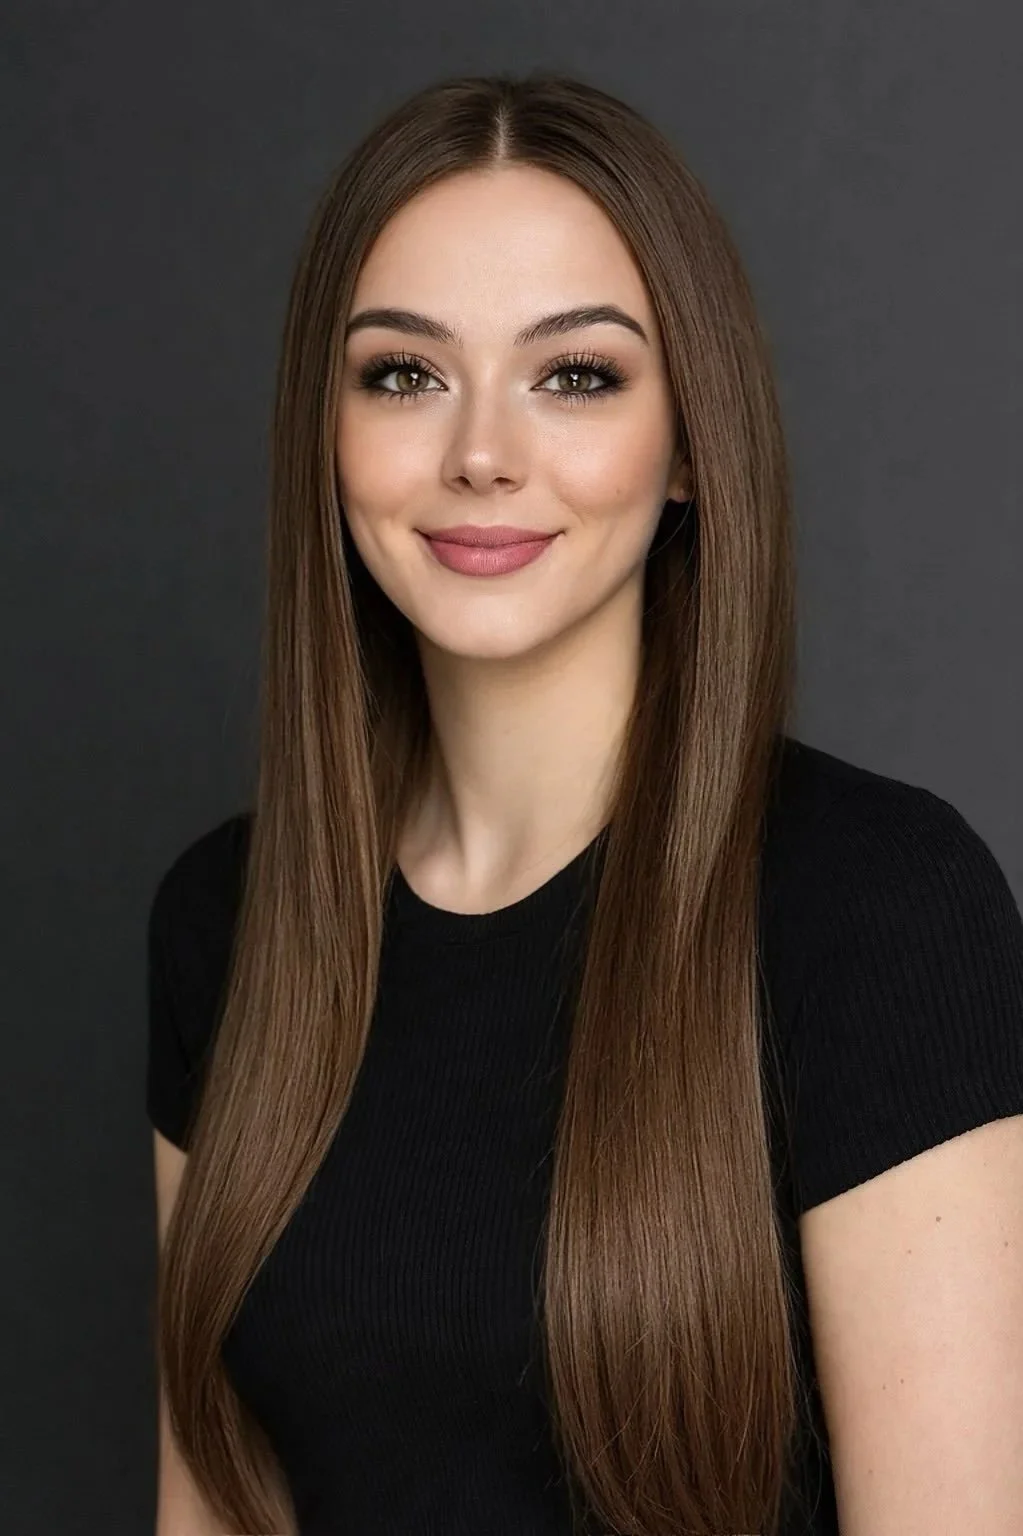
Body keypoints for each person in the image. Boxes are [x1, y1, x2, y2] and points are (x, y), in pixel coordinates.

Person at [145, 71, 1023, 1536]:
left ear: (689, 447)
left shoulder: (880, 911)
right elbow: (214, 1507)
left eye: (575, 375)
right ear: (325, 433)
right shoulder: (224, 923)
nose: (481, 451)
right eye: (403, 374)